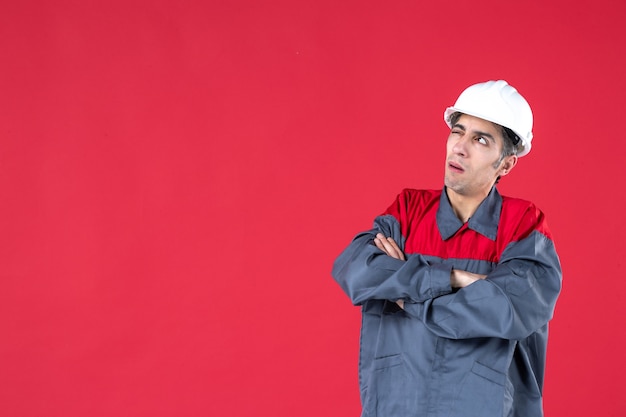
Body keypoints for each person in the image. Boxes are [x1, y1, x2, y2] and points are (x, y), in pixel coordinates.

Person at [332, 80, 562, 417]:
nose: (460, 148)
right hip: (399, 405)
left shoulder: (523, 224)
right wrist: (456, 279)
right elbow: (356, 269)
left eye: (480, 139)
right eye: (458, 131)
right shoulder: (408, 210)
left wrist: (402, 295)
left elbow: (508, 308)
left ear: (506, 164)